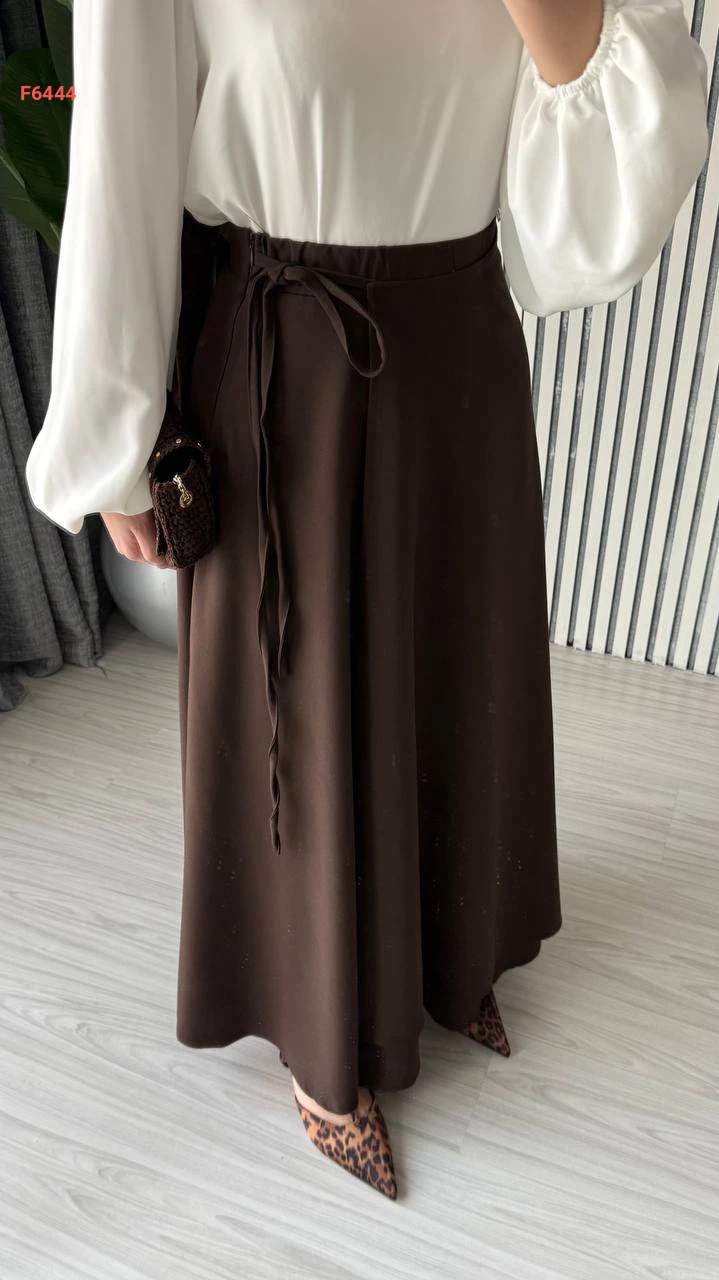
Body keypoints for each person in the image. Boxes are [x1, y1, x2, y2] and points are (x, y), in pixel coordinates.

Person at [25, 0, 709, 1201]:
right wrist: (111, 432)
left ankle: (446, 955)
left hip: (459, 347)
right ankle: (319, 1033)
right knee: (297, 704)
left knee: (459, 666)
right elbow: (119, 150)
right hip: (286, 359)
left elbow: (601, 205)